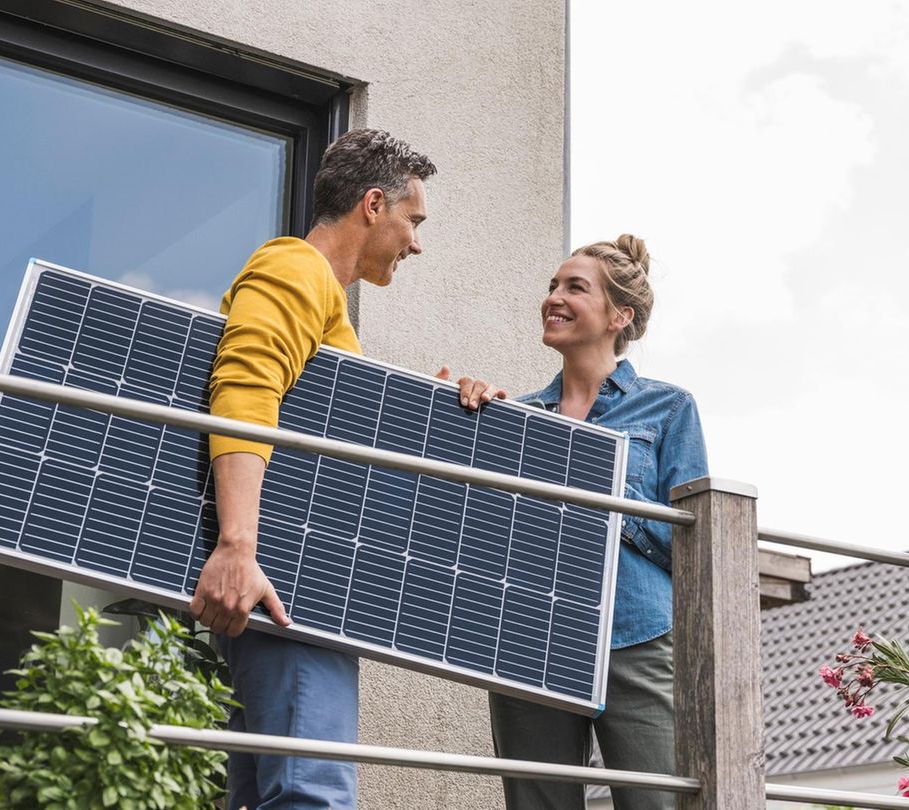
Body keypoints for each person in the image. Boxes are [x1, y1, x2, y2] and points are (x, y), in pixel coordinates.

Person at [189, 128, 435, 810]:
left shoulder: (326, 301)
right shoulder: (295, 267)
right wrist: (238, 546)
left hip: (296, 584)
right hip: (290, 585)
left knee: (272, 794)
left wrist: (436, 413)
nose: (416, 242)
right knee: (310, 795)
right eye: (413, 221)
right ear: (374, 205)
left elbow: (332, 449)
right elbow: (244, 386)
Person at [446, 234, 708, 810]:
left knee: (659, 804)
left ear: (620, 316)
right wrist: (459, 416)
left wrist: (609, 505)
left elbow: (693, 545)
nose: (553, 297)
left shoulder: (668, 409)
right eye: (552, 286)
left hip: (635, 639)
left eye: (574, 287)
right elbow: (473, 529)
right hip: (530, 634)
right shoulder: (516, 416)